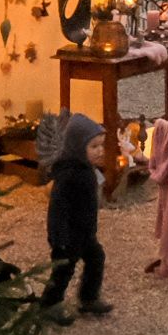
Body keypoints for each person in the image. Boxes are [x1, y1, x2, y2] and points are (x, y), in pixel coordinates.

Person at [38, 112, 114, 323]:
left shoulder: (86, 169)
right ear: (77, 148)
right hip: (67, 236)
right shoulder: (68, 174)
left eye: (101, 145)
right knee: (63, 270)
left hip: (85, 233)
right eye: (94, 147)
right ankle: (49, 304)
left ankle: (88, 298)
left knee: (96, 258)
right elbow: (57, 209)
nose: (100, 151)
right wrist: (58, 238)